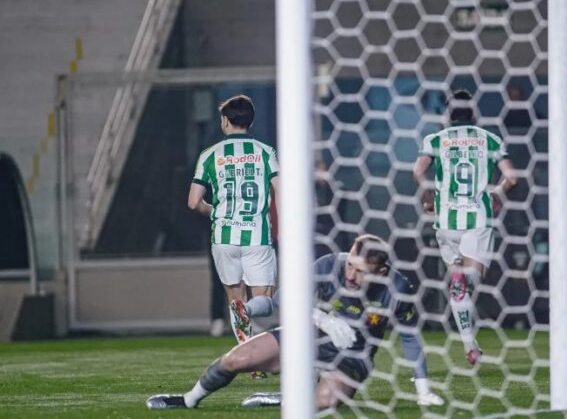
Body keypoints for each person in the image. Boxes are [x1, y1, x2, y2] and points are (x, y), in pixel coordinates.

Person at [146, 235, 444, 409]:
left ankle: (285, 399)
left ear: (380, 272)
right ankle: (188, 400)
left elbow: (410, 337)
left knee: (324, 401)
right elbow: (283, 298)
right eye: (350, 266)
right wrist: (319, 318)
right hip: (309, 334)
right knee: (237, 358)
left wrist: (422, 390)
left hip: (353, 356)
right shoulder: (330, 265)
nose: (351, 276)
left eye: (361, 271)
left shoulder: (399, 289)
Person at [413, 89, 517, 366]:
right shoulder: (490, 139)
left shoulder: (435, 139)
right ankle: (465, 281)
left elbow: (418, 171)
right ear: (474, 113)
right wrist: (497, 193)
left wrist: (428, 195)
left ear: (448, 114)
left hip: (446, 222)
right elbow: (512, 177)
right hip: (477, 220)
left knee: (457, 289)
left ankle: (470, 346)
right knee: (469, 284)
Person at [187, 95, 279, 344]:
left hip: (223, 237)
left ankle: (246, 349)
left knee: (235, 301)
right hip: (257, 236)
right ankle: (248, 314)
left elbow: (193, 202)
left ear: (225, 121)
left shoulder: (209, 154)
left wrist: (215, 211)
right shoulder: (265, 152)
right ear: (251, 122)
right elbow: (281, 190)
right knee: (265, 302)